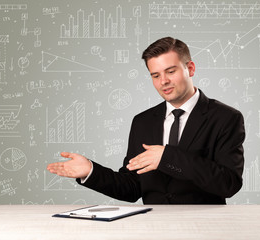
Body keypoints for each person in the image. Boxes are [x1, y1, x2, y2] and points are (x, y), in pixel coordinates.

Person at [47, 37, 245, 204]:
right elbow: (132, 187)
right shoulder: (142, 121)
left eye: (171, 71)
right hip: (152, 228)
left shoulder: (226, 118)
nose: (163, 82)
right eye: (155, 75)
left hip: (203, 229)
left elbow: (228, 184)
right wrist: (91, 171)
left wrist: (167, 158)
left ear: (190, 68)